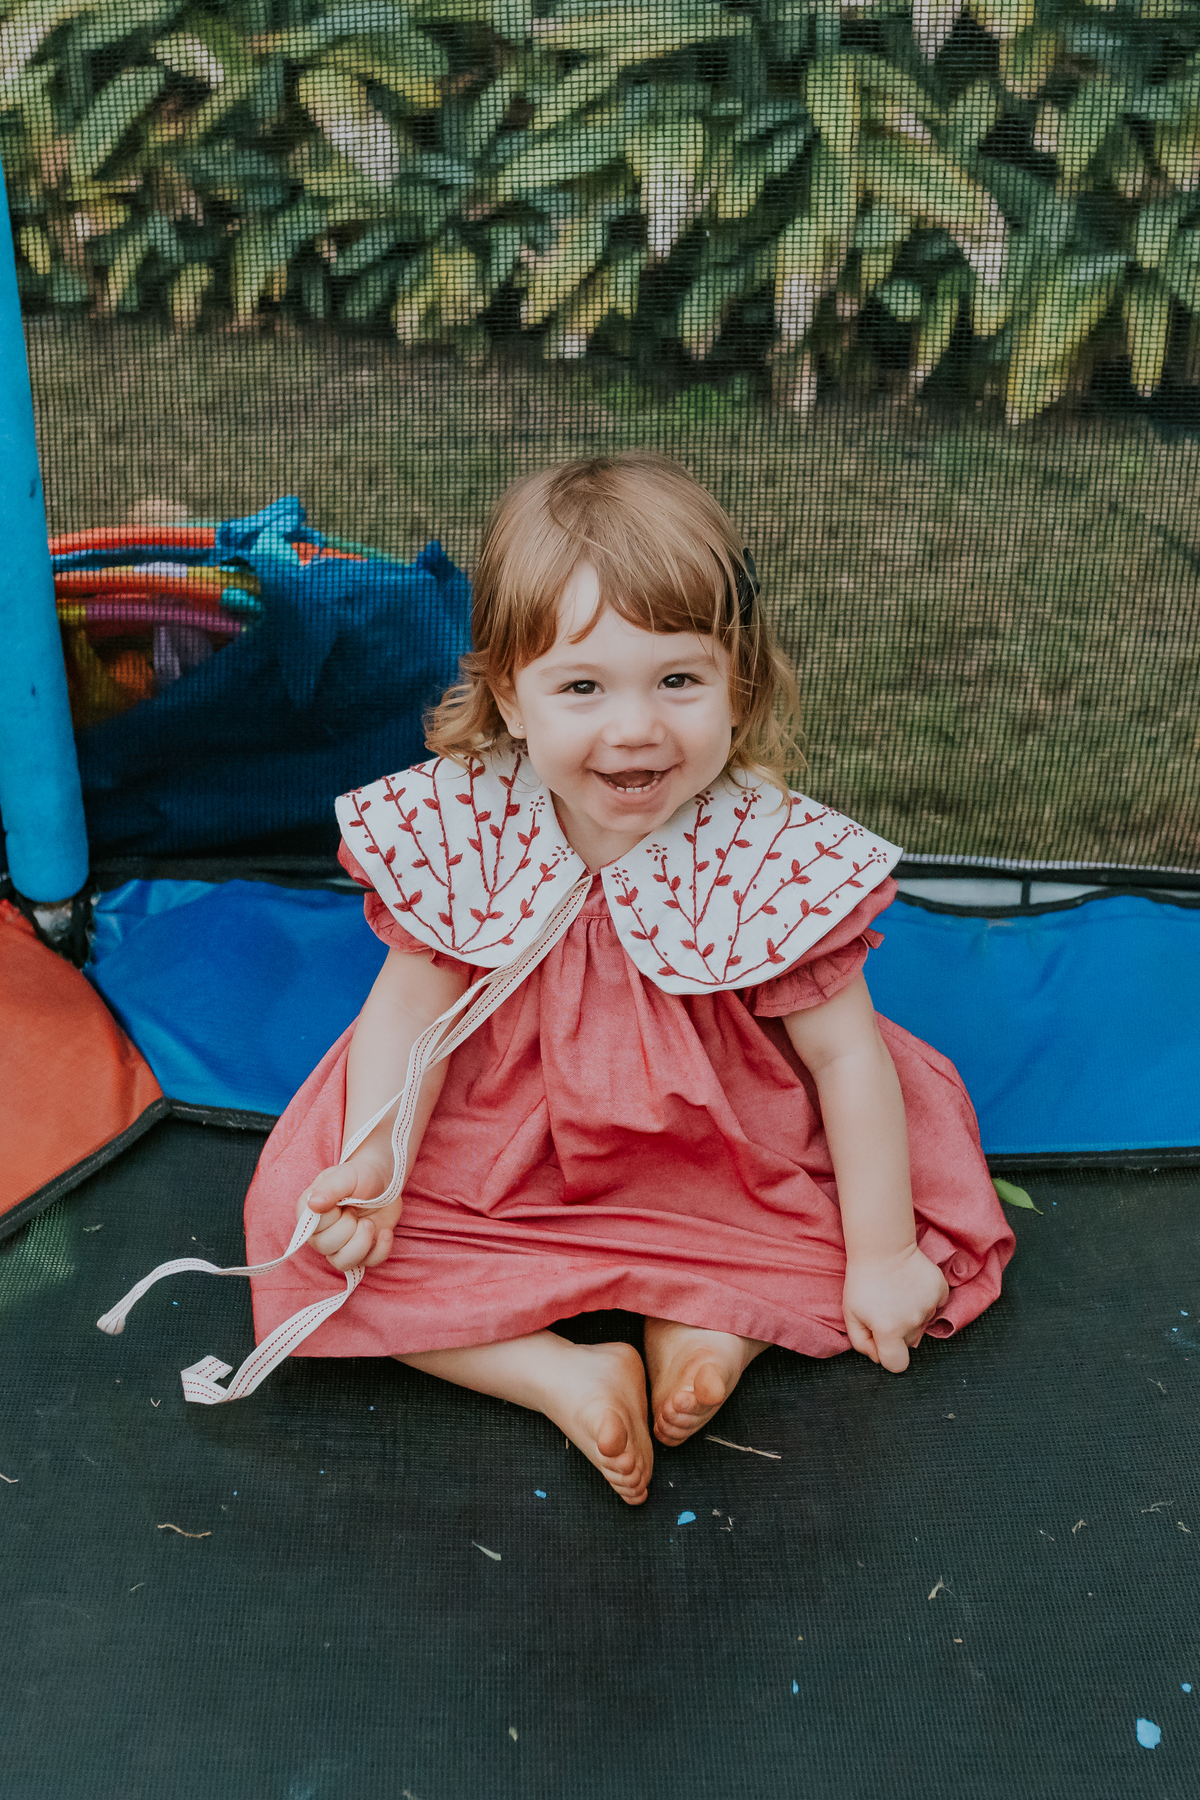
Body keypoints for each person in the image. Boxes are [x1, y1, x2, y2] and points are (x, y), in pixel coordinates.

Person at [108, 453, 1014, 1503]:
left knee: (890, 1209)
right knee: (302, 1231)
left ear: (740, 682)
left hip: (714, 1146)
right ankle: (556, 1371)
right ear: (511, 696)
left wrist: (883, 1253)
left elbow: (846, 1053)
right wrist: (378, 1171)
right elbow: (408, 1008)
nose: (634, 727)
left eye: (679, 680)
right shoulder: (470, 822)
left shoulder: (764, 850)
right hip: (504, 1139)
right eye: (583, 687)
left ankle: (711, 1325)